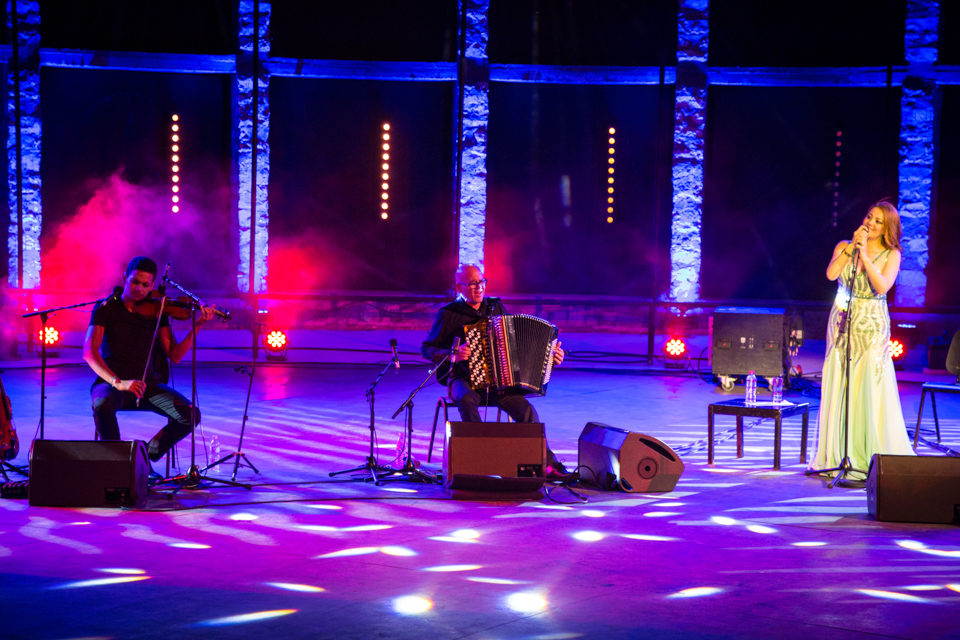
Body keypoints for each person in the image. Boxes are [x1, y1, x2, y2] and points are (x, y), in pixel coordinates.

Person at [421, 264, 570, 479]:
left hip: (499, 382)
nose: (479, 287)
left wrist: (550, 357)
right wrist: (452, 354)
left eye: (481, 282)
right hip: (463, 378)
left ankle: (548, 464)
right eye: (472, 283)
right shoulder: (449, 313)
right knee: (466, 399)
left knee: (526, 410)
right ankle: (481, 460)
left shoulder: (495, 307)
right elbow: (427, 348)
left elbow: (515, 346)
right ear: (459, 287)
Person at [809, 201, 914, 479]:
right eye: (870, 217)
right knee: (840, 381)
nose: (871, 223)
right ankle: (837, 454)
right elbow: (832, 274)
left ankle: (866, 455)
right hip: (842, 321)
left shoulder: (892, 254)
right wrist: (852, 249)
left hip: (871, 324)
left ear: (887, 228)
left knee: (866, 383)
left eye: (878, 221)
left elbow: (882, 287)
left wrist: (866, 257)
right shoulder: (845, 245)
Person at [82, 256, 217, 463]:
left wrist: (197, 325)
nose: (139, 289)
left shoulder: (157, 311)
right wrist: (118, 382)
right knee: (102, 405)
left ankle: (143, 456)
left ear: (152, 285)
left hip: (147, 386)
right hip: (112, 383)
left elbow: (175, 355)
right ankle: (118, 463)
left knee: (190, 415)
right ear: (125, 278)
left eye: (146, 285)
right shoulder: (106, 307)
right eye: (135, 282)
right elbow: (89, 353)